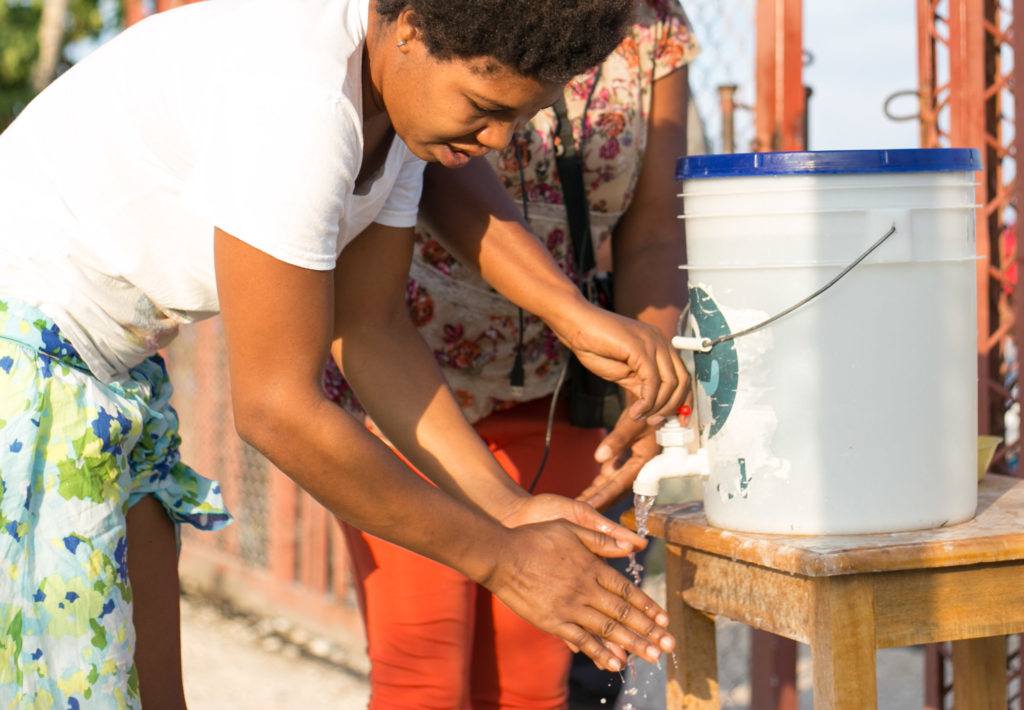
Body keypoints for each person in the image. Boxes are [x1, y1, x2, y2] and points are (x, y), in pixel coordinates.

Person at [0, 1, 690, 707]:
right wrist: (502, 560)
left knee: (145, 690)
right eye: (484, 108)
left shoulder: (391, 108)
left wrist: (507, 510)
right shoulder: (302, 101)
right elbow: (276, 409)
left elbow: (369, 331)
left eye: (519, 117)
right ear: (412, 28)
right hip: (25, 363)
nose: (496, 140)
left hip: (110, 367)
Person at [322, 2, 697, 706]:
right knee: (424, 674)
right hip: (412, 386)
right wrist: (570, 311)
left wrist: (650, 373)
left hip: (560, 395)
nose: (498, 134)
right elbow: (436, 167)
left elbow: (653, 226)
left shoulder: (657, 27)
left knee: (532, 683)